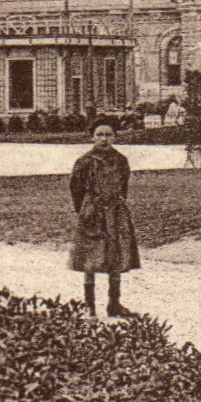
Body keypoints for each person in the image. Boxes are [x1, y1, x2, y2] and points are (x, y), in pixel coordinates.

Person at [69, 122, 141, 317]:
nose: (104, 139)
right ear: (92, 137)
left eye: (108, 135)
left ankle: (114, 304)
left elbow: (123, 186)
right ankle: (89, 306)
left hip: (115, 213)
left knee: (115, 256)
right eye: (99, 135)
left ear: (115, 137)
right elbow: (75, 189)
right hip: (92, 213)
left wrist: (117, 205)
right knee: (91, 258)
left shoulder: (121, 160)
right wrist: (85, 210)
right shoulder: (84, 161)